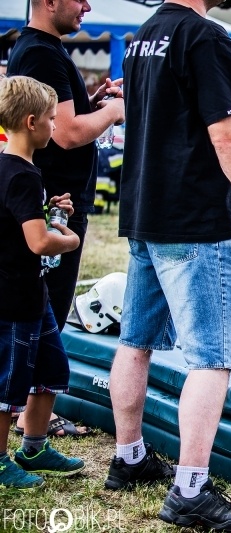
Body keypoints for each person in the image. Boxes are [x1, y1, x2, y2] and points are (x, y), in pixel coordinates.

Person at [106, 0, 231, 530]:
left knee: (135, 340)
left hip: (146, 211)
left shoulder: (145, 34)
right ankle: (190, 489)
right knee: (213, 358)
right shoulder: (209, 38)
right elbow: (227, 135)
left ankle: (129, 458)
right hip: (196, 220)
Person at [7, 0, 125, 438]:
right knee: (46, 312)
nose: (87, 6)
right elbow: (69, 132)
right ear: (50, 1)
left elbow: (59, 120)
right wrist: (114, 111)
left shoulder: (42, 47)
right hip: (54, 204)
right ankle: (30, 419)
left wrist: (91, 102)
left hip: (56, 199)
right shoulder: (40, 51)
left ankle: (30, 419)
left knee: (47, 311)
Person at [0, 75, 85, 489]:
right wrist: (67, 238)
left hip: (34, 297)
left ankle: (33, 447)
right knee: (7, 384)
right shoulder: (22, 175)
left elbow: (18, 219)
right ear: (32, 122)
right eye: (52, 119)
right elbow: (37, 242)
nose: (57, 125)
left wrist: (50, 210)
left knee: (51, 368)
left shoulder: (14, 169)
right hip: (12, 301)